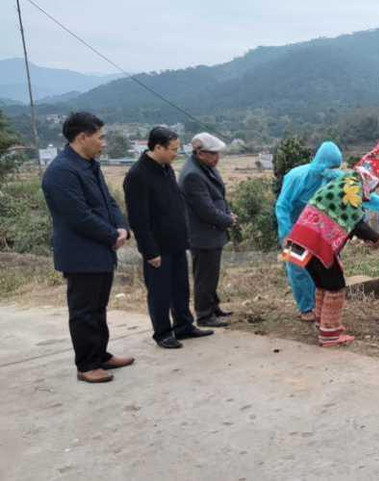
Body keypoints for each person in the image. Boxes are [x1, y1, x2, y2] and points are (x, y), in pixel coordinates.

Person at [283, 138, 379, 347]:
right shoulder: (350, 190)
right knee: (336, 287)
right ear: (371, 179)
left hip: (303, 241)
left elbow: (356, 212)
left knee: (322, 284)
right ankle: (330, 335)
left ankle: (323, 324)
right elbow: (356, 221)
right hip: (317, 244)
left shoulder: (345, 183)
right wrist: (376, 239)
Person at [41, 112, 134, 383]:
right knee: (83, 310)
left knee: (98, 308)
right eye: (100, 137)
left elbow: (109, 202)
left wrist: (122, 228)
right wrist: (111, 235)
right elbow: (77, 216)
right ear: (82, 137)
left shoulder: (89, 165)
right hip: (81, 253)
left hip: (102, 250)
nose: (104, 143)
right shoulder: (61, 172)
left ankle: (100, 355)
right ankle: (86, 364)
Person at [123, 127, 213, 348]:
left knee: (180, 287)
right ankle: (162, 332)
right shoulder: (138, 175)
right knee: (160, 292)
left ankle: (184, 325)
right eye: (172, 149)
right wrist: (149, 250)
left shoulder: (166, 169)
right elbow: (138, 218)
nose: (176, 153)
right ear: (158, 147)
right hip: (157, 246)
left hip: (176, 241)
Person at [178, 132, 236, 328]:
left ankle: (213, 307)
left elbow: (219, 197)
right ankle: (204, 314)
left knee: (212, 274)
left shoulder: (206, 168)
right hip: (203, 234)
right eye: (213, 154)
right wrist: (228, 219)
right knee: (204, 276)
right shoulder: (192, 175)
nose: (217, 158)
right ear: (200, 153)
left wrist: (228, 213)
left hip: (213, 231)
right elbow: (206, 210)